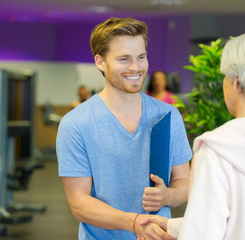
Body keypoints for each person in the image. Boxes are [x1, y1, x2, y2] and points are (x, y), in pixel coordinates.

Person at [141, 30, 245, 240]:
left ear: (235, 82)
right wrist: (171, 226)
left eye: (224, 78)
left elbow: (203, 234)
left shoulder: (216, 148)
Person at [56, 17, 192, 240]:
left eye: (141, 57)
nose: (135, 67)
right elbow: (79, 203)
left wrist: (168, 195)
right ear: (100, 62)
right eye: (124, 59)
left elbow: (184, 183)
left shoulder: (168, 115)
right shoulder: (76, 124)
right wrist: (134, 222)